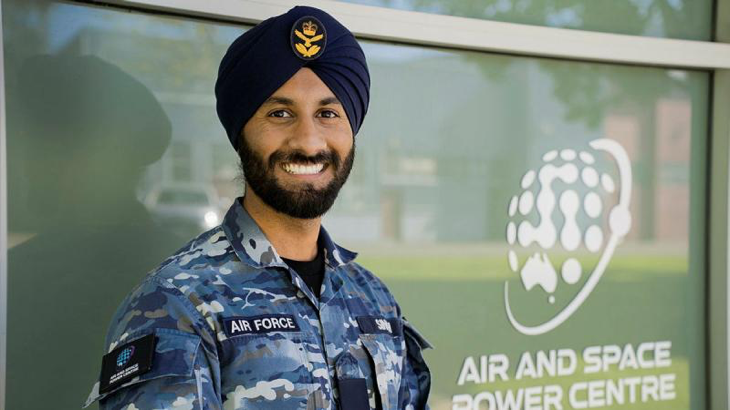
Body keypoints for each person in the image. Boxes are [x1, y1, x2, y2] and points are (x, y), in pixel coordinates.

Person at [84, 5, 432, 410]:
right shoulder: (176, 306)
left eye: (328, 113)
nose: (308, 141)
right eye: (280, 113)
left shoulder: (374, 300)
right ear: (242, 133)